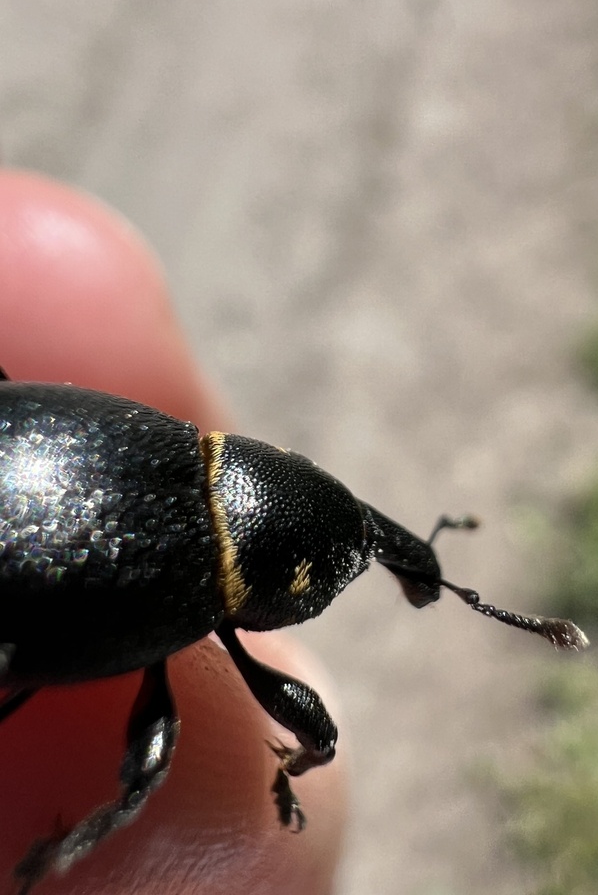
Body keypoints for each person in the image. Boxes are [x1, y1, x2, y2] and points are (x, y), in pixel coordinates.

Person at [0, 169, 345, 894]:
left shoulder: (163, 444)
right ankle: (50, 860)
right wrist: (298, 764)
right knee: (142, 786)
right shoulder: (184, 596)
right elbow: (319, 736)